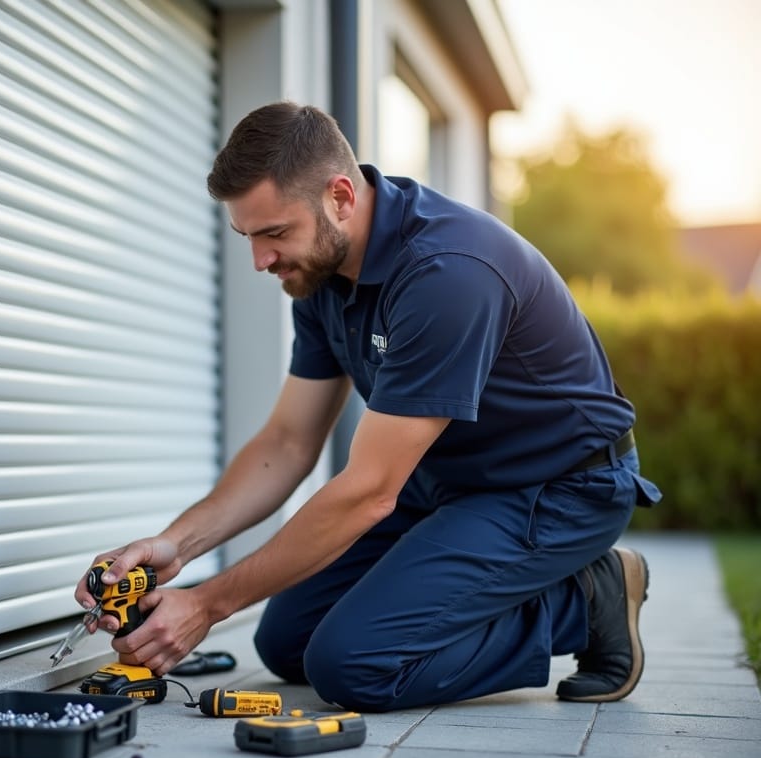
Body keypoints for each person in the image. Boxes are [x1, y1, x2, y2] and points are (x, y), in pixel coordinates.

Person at [75, 101, 662, 712]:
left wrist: (208, 604)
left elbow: (370, 490)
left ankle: (587, 598)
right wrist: (177, 546)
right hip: (443, 481)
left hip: (557, 487)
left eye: (274, 233)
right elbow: (286, 443)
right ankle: (487, 588)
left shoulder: (447, 273)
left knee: (354, 665)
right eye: (248, 236)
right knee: (288, 642)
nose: (261, 260)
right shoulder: (318, 274)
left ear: (341, 197)